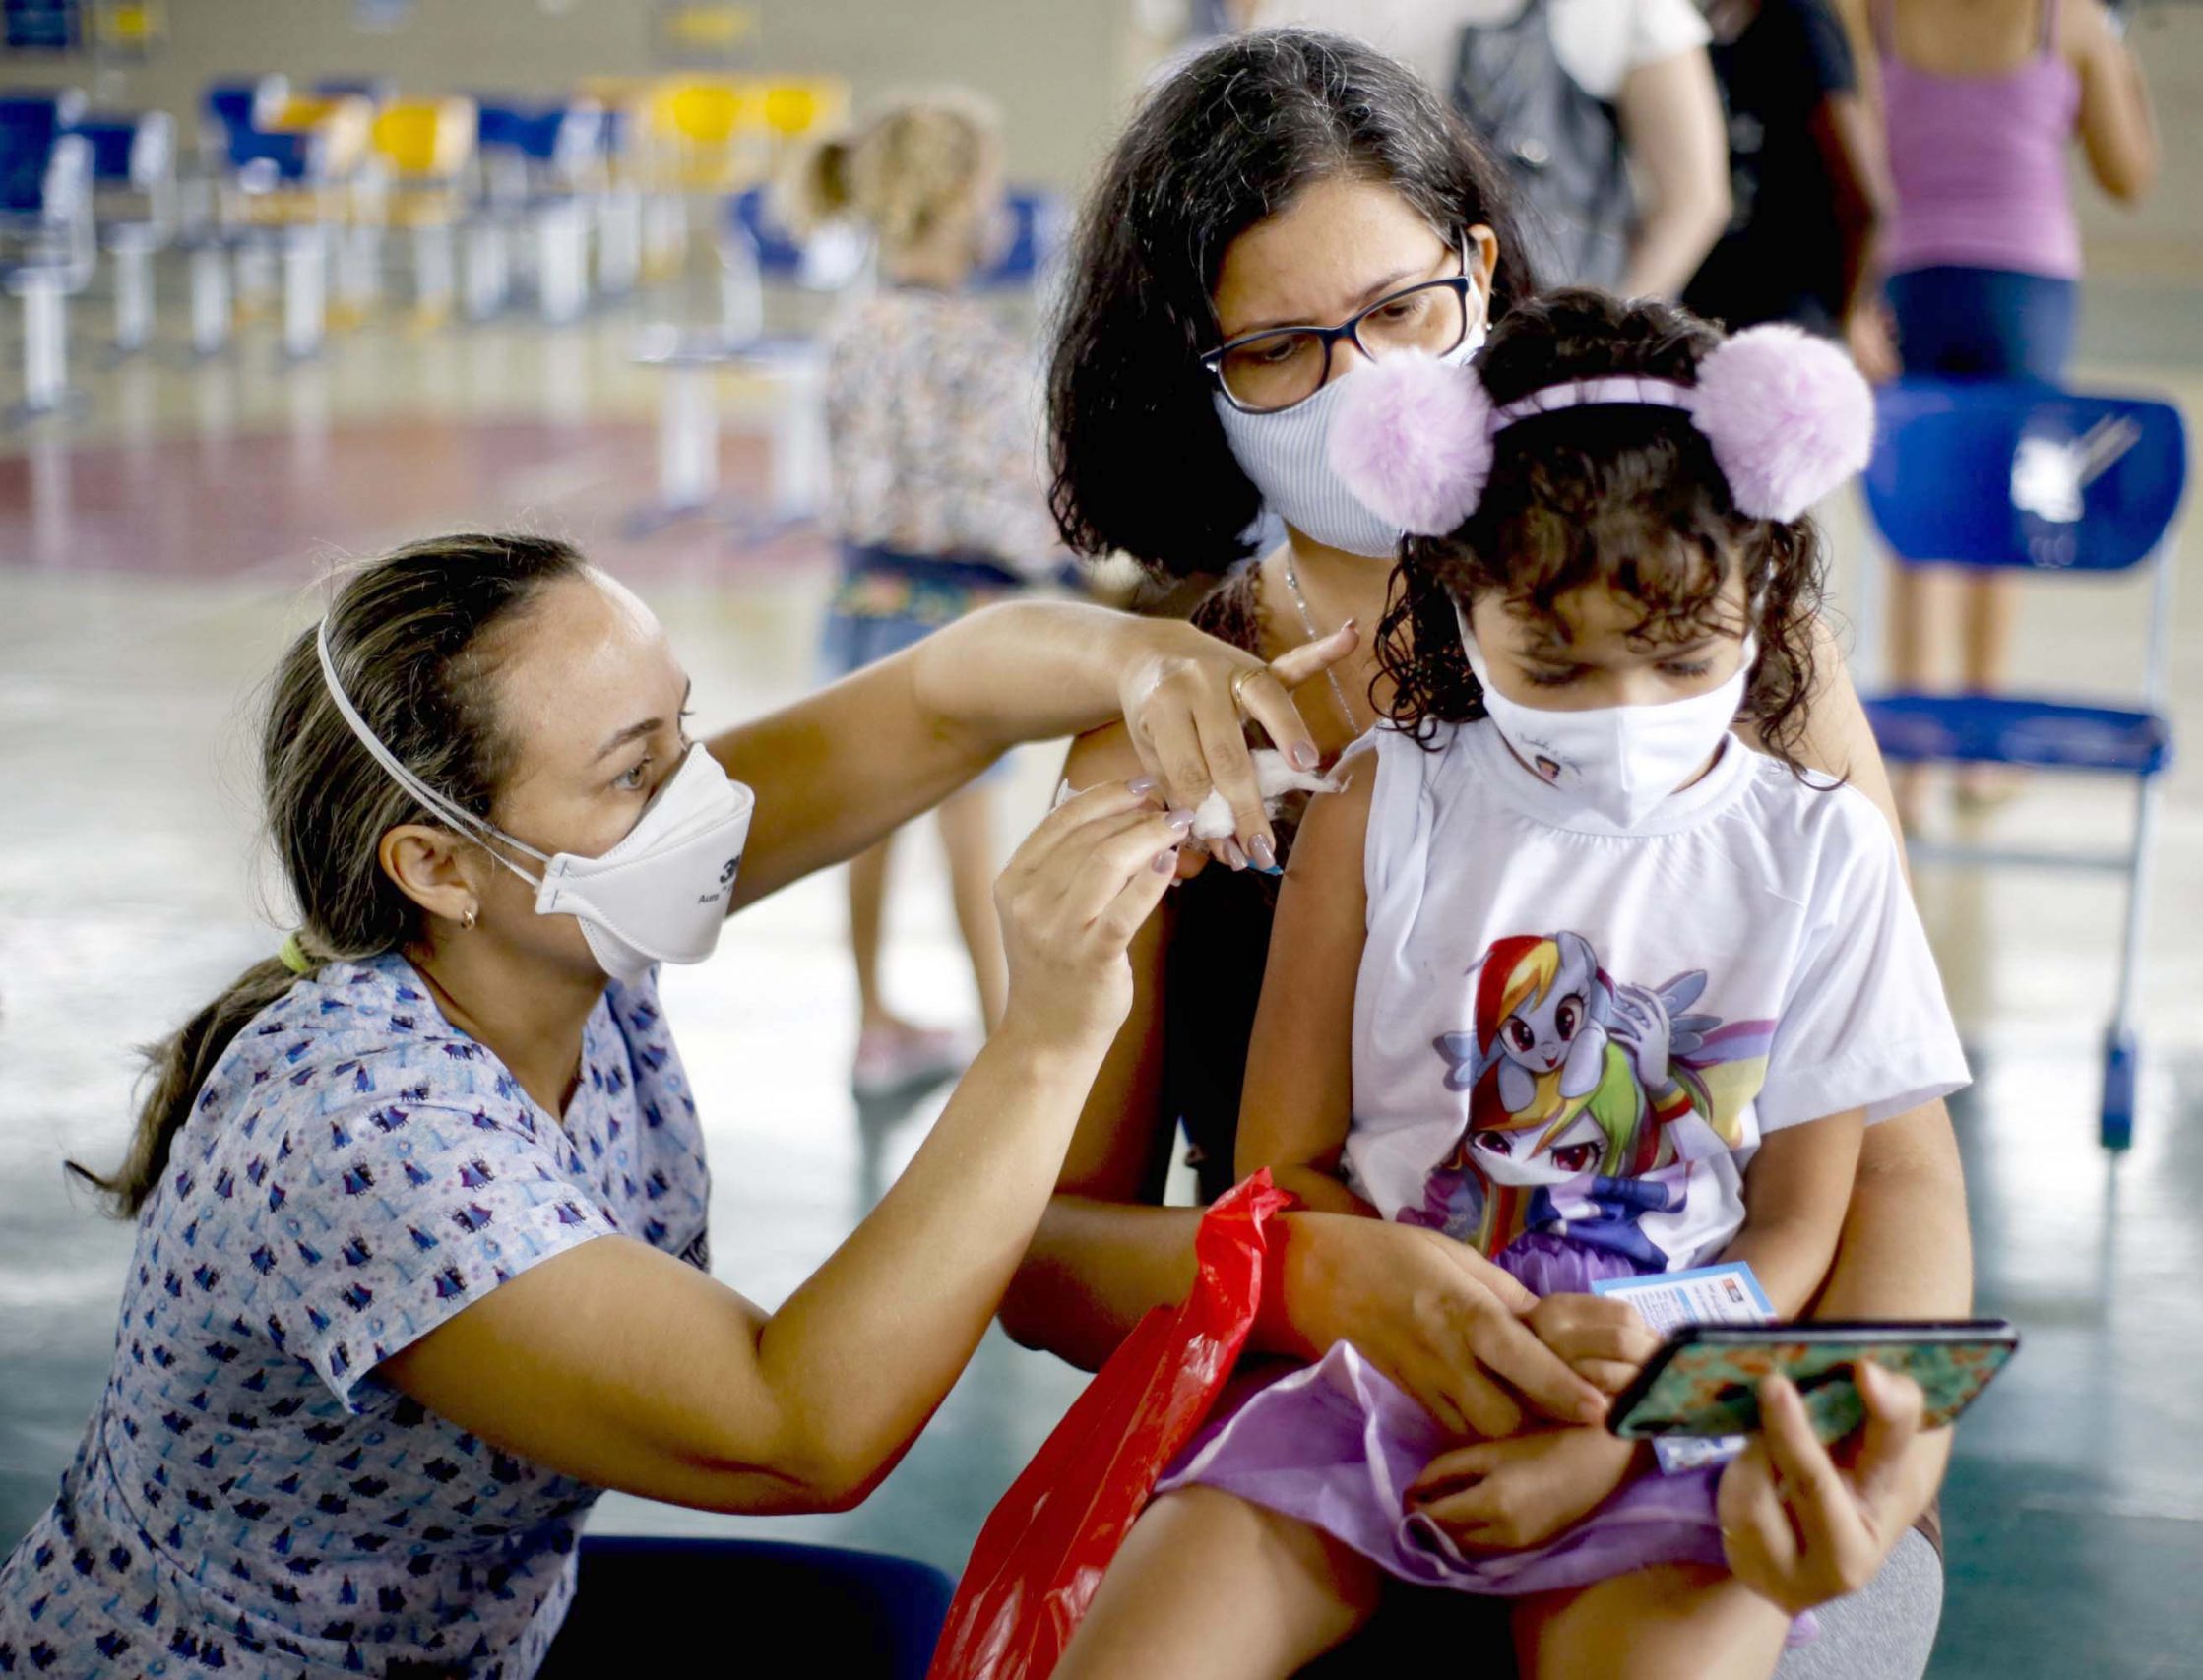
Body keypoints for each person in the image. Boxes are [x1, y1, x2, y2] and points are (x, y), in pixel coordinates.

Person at [1012, 31, 1974, 1675]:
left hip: (1718, 1418)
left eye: (1400, 311)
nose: (1366, 379)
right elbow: (1047, 1254)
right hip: (1345, 1419)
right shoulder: (1161, 729)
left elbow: (1888, 1201)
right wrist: (1331, 1280)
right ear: (1188, 364)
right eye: (1278, 348)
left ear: (1479, 272)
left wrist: (1835, 1475)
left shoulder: (1740, 662)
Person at [0, 532, 1345, 1677]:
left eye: (685, 724)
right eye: (638, 767)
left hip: (484, 1632)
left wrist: (1144, 659)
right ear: (436, 861)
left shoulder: (562, 913)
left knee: (886, 1624)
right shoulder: (363, 1136)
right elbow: (797, 1432)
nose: (703, 793)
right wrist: (1049, 1036)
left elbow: (944, 697)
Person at [1846, 0, 2157, 808]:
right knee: (2003, 516)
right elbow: (2130, 176)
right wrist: (2124, 70)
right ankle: (1982, 756)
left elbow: (1854, 153)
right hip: (2028, 285)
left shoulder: (1869, 13)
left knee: (1919, 518)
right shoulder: (2073, 21)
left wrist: (1855, 294)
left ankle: (1911, 763)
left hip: (1910, 278)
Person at [813, 93, 1063, 1091]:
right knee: (971, 838)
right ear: (962, 196)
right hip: (957, 613)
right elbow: (1007, 500)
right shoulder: (976, 347)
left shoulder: (851, 326)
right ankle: (1003, 1034)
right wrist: (1069, 564)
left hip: (858, 600)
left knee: (863, 822)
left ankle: (872, 1022)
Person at [1245, 0, 1732, 296]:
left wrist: (1604, 339)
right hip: (1385, 346)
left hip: (1552, 337)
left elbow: (1694, 200)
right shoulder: (1298, 14)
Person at [1682, 0, 1895, 377]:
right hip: (1708, 322)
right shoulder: (1697, 22)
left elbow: (1865, 203)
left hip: (1789, 328)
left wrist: (1848, 319)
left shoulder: (1800, 19)